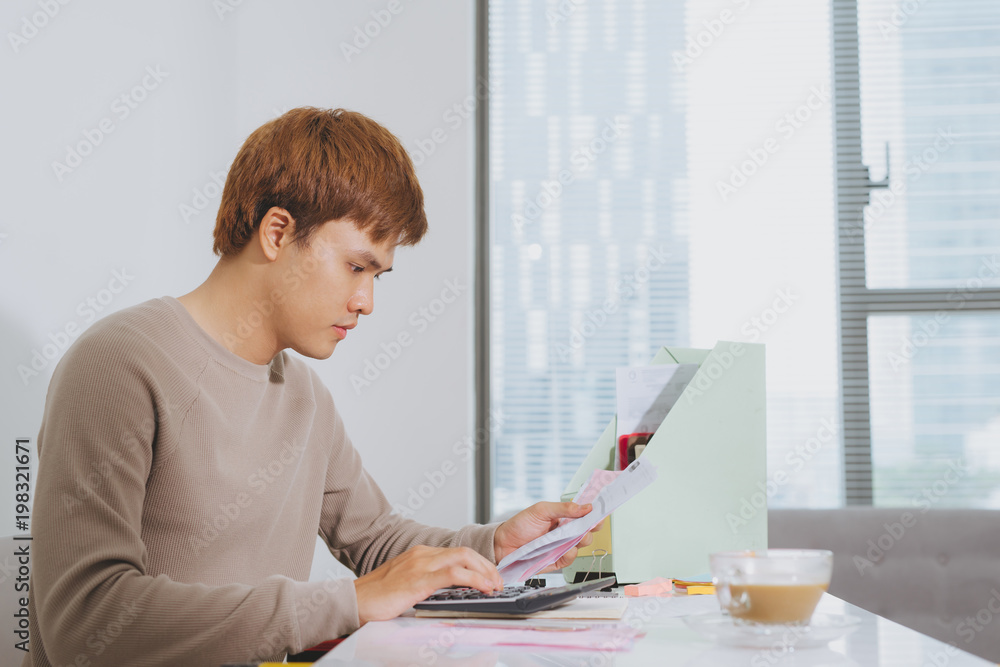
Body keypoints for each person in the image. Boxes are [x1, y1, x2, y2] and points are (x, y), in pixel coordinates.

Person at [24, 107, 597, 666]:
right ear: (277, 232)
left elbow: (375, 539)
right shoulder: (120, 362)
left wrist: (494, 545)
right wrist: (347, 603)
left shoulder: (303, 396)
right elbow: (86, 622)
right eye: (356, 267)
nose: (366, 302)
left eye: (377, 276)